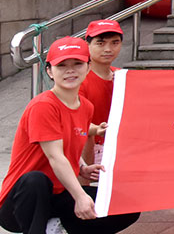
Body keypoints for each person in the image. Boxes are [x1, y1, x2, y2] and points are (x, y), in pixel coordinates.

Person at [0, 37, 140, 234]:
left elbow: (71, 141)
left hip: (58, 195)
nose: (70, 70)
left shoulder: (85, 106)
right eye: (62, 65)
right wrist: (80, 196)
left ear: (88, 67)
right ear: (49, 71)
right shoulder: (43, 106)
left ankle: (60, 227)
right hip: (20, 203)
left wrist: (82, 167)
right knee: (35, 180)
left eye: (77, 64)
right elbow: (55, 156)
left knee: (125, 207)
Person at [80, 20, 121, 166]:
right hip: (89, 148)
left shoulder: (122, 76)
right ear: (87, 45)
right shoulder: (79, 80)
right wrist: (96, 130)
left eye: (115, 43)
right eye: (100, 43)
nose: (108, 49)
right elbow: (74, 123)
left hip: (119, 145)